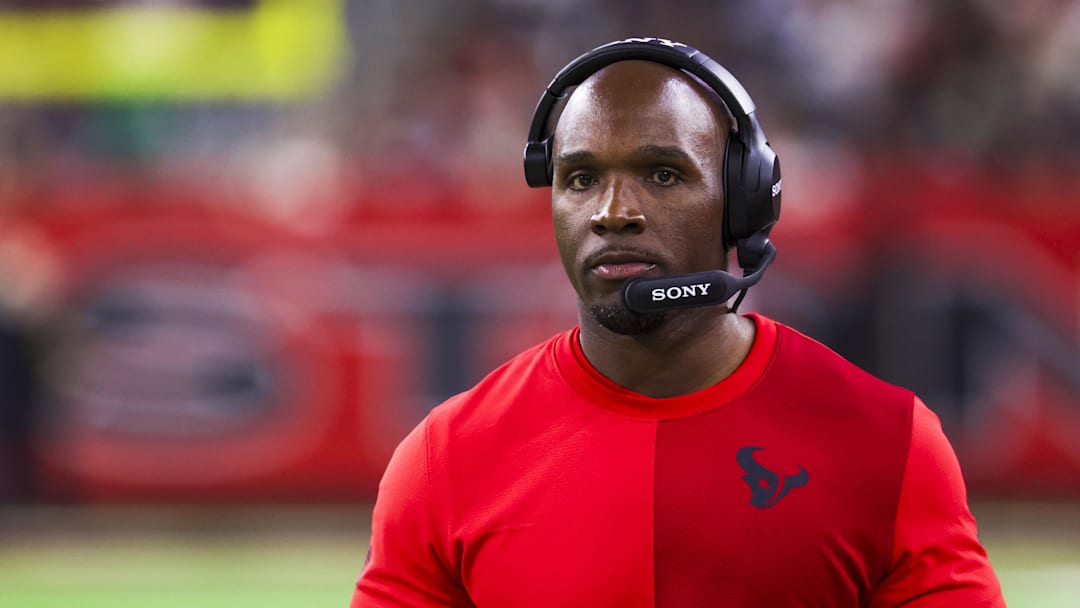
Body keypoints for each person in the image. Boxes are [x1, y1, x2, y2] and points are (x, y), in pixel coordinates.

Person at [351, 38, 1004, 607]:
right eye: (580, 179)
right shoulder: (445, 460)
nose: (612, 211)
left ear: (743, 202)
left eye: (662, 175)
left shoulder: (889, 445)